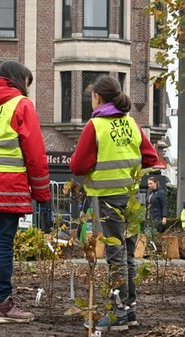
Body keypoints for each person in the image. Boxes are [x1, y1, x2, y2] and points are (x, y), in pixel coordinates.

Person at [70, 75, 158, 331]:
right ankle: (129, 311)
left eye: (91, 97)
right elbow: (150, 157)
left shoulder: (95, 125)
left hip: (108, 197)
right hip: (132, 197)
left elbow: (78, 165)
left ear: (97, 97)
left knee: (115, 254)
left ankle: (118, 312)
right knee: (128, 254)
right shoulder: (131, 123)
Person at [0, 60, 51, 324]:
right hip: (8, 185)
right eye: (28, 83)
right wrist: (42, 195)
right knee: (3, 243)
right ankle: (3, 303)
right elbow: (35, 153)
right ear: (18, 80)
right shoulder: (21, 105)